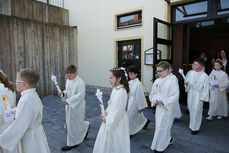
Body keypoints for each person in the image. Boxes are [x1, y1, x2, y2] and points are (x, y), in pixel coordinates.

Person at [0, 68, 50, 153]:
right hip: (34, 133)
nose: (15, 83)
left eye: (17, 81)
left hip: (31, 138)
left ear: (24, 84)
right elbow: (26, 112)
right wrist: (13, 111)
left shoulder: (27, 100)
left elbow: (19, 125)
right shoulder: (30, 95)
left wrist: (2, 139)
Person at [93, 68, 130, 153]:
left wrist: (108, 119)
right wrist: (105, 112)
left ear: (119, 78)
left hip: (117, 121)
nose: (109, 80)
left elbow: (119, 111)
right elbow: (111, 105)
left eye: (111, 78)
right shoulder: (115, 89)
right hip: (110, 118)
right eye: (109, 78)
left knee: (115, 143)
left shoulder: (122, 92)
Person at [149, 61, 179, 153]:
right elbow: (152, 94)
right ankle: (168, 139)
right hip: (159, 108)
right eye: (157, 71)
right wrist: (154, 100)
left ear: (167, 70)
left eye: (160, 71)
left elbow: (175, 95)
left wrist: (163, 101)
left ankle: (160, 147)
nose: (158, 73)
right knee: (159, 127)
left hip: (167, 108)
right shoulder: (157, 81)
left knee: (164, 127)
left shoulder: (173, 79)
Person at [59, 64, 90, 151]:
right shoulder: (69, 80)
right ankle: (85, 126)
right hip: (70, 105)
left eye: (70, 74)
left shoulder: (80, 82)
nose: (68, 76)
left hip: (77, 106)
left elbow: (80, 96)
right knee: (76, 122)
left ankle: (72, 143)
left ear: (75, 73)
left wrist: (68, 101)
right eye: (66, 74)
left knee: (74, 124)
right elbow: (68, 91)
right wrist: (63, 93)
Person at [185, 59, 209, 135]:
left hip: (199, 95)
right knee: (192, 110)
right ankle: (192, 125)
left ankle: (195, 128)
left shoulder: (205, 76)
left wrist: (203, 98)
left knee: (197, 112)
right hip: (191, 94)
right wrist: (186, 84)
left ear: (201, 66)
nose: (193, 66)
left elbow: (206, 88)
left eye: (196, 64)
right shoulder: (191, 74)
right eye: (193, 64)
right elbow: (187, 83)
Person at [126, 65, 150, 136]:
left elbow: (140, 96)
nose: (130, 75)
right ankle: (145, 121)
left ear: (136, 74)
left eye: (132, 74)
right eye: (129, 74)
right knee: (135, 116)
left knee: (130, 116)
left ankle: (130, 132)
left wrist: (140, 107)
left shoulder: (138, 84)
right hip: (131, 100)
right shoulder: (130, 82)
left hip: (136, 102)